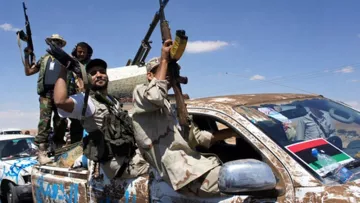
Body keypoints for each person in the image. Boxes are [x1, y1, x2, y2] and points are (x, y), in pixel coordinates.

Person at [131, 40, 234, 197]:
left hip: (195, 166)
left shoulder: (172, 107)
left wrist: (232, 132)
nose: (167, 74)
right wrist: (164, 59)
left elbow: (196, 137)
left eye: (170, 72)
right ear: (150, 75)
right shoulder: (142, 93)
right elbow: (155, 95)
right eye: (161, 70)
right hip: (180, 174)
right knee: (245, 180)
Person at [54, 58, 148, 180]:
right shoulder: (86, 101)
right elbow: (60, 101)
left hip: (130, 156)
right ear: (87, 78)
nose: (98, 75)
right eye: (93, 73)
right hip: (118, 165)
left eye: (102, 72)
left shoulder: (113, 100)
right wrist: (63, 70)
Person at [24, 34, 68, 164]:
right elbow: (29, 72)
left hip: (61, 94)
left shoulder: (66, 59)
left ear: (61, 44)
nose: (56, 43)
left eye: (58, 42)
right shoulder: (44, 59)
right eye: (54, 41)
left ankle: (58, 150)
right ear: (50, 43)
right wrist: (27, 56)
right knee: (44, 122)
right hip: (46, 94)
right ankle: (42, 153)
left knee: (61, 122)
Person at [66, 42, 94, 144]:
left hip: (88, 97)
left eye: (84, 52)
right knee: (76, 123)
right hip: (73, 97)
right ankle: (76, 146)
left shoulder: (91, 64)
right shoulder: (70, 63)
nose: (81, 54)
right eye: (79, 52)